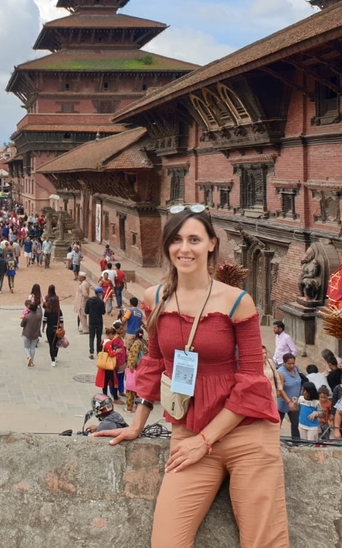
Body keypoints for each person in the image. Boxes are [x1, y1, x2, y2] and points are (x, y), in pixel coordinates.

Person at [95, 204, 288, 548]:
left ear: (212, 243)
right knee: (167, 541)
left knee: (263, 542)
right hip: (189, 430)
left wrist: (206, 440)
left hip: (246, 434)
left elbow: (252, 383)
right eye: (177, 239)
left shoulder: (236, 302)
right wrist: (137, 423)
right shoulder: (155, 298)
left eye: (195, 239)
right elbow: (154, 363)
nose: (185, 248)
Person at [276, 353, 303, 439]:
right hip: (283, 402)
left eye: (293, 363)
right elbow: (281, 389)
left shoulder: (296, 368)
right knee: (277, 424)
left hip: (295, 401)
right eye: (289, 363)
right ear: (284, 363)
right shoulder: (281, 372)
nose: (292, 365)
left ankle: (296, 443)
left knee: (296, 423)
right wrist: (288, 402)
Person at [95, 327, 121, 404]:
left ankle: (104, 396)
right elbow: (111, 353)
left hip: (104, 365)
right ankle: (115, 398)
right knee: (113, 381)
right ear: (110, 335)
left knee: (105, 382)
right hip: (108, 365)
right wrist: (117, 351)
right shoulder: (109, 343)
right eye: (113, 335)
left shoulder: (103, 341)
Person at [124, 330, 147, 412]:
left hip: (134, 368)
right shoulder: (143, 343)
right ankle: (138, 407)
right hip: (141, 368)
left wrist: (130, 366)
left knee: (130, 389)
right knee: (138, 389)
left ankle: (129, 408)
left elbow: (133, 355)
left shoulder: (137, 343)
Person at [43, 285, 63, 367]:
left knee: (51, 344)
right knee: (56, 343)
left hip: (50, 328)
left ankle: (53, 360)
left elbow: (44, 320)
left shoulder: (47, 311)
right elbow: (61, 320)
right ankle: (55, 355)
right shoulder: (59, 311)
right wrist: (62, 328)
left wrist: (42, 328)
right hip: (57, 328)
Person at [85, 286, 106, 358]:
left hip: (91, 321)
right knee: (99, 337)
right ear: (99, 293)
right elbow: (103, 312)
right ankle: (98, 352)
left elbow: (86, 311)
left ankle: (91, 352)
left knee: (91, 337)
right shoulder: (101, 302)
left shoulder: (89, 301)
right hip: (99, 321)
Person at [21, 298, 42, 367]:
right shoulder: (39, 317)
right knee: (32, 347)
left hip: (27, 333)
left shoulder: (27, 316)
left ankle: (28, 356)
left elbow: (22, 325)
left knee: (26, 347)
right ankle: (32, 361)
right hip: (35, 334)